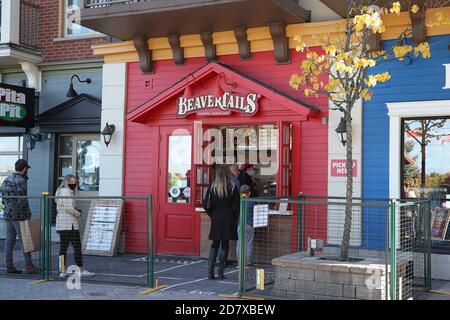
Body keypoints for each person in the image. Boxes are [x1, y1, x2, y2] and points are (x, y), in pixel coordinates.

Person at [1, 159, 39, 274]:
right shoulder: (21, 181)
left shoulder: (7, 179)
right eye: (27, 169)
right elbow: (22, 200)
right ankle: (29, 265)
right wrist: (26, 215)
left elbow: (3, 198)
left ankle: (9, 265)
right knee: (25, 240)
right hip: (19, 216)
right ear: (24, 169)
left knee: (9, 240)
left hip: (8, 214)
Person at [203, 165, 240, 280]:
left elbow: (206, 205)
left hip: (216, 218)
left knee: (214, 245)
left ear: (217, 174)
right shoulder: (233, 187)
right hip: (228, 218)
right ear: (228, 174)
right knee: (225, 245)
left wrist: (212, 215)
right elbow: (237, 207)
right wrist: (233, 218)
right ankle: (220, 273)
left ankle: (210, 273)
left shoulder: (212, 187)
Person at [55, 174, 94, 277]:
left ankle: (63, 269)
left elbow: (66, 206)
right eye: (71, 182)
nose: (73, 183)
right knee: (76, 246)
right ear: (66, 182)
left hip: (63, 223)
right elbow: (68, 207)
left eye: (74, 181)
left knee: (63, 247)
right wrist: (78, 213)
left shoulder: (62, 191)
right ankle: (80, 270)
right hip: (69, 223)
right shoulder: (66, 191)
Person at [236, 185, 255, 268]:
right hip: (250, 225)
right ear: (249, 193)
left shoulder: (238, 202)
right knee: (249, 244)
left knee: (240, 244)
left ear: (240, 193)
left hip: (240, 225)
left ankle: (239, 263)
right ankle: (247, 263)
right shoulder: (252, 202)